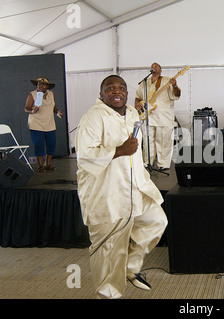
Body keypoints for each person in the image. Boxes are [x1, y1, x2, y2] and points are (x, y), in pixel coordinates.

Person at [75, 75, 168, 299]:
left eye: (122, 88)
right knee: (109, 256)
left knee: (156, 221)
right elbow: (85, 158)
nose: (117, 91)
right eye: (110, 88)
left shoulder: (132, 113)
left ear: (127, 93)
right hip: (105, 196)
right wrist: (118, 150)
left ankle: (131, 266)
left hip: (134, 188)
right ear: (101, 94)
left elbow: (135, 152)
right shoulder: (93, 117)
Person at [135, 63, 181, 170]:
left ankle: (163, 164)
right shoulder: (145, 83)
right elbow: (138, 96)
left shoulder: (167, 81)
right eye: (152, 66)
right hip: (147, 117)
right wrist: (137, 103)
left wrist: (174, 85)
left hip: (164, 117)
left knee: (164, 142)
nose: (153, 67)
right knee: (147, 141)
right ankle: (147, 162)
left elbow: (177, 95)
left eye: (156, 66)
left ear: (161, 71)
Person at [24, 76, 64, 172]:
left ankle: (48, 164)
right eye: (38, 84)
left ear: (47, 86)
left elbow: (53, 107)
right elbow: (26, 108)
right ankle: (40, 165)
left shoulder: (51, 94)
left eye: (43, 84)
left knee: (51, 144)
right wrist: (33, 110)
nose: (40, 86)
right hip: (36, 124)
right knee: (39, 145)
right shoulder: (32, 95)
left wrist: (58, 112)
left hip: (50, 124)